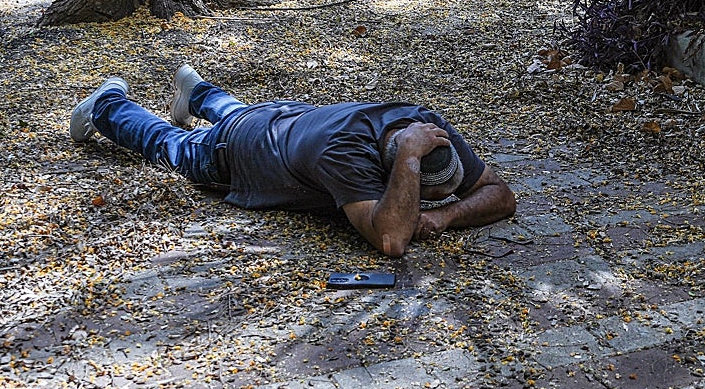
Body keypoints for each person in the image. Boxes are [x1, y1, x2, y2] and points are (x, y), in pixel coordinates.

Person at [70, 65, 516, 257]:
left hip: (284, 118)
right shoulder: (346, 156)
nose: (422, 203)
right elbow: (391, 241)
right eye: (420, 191)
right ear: (399, 161)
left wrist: (446, 217)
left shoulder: (423, 127)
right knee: (174, 147)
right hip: (238, 152)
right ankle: (109, 104)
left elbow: (500, 195)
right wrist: (408, 171)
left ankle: (198, 92)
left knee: (244, 115)